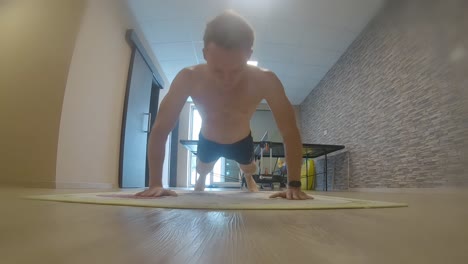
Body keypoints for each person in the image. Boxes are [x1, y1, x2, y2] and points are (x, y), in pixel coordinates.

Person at [136, 10, 312, 200]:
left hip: (242, 139)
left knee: (249, 167)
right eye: (218, 70)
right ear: (205, 53)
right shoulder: (188, 77)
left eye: (236, 70)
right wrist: (155, 183)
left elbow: (289, 131)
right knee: (203, 168)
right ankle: (202, 178)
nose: (227, 80)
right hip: (208, 139)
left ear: (249, 54)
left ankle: (248, 177)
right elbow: (161, 128)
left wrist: (293, 184)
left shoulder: (265, 80)